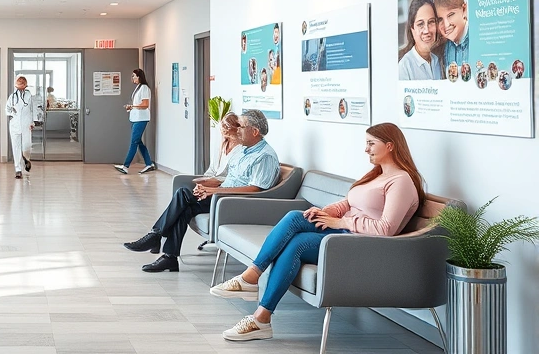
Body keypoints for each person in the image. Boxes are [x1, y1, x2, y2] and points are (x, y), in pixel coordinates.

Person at [210, 123, 425, 343]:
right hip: (345, 231)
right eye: (366, 143)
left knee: (298, 243)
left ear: (390, 145)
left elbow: (385, 229)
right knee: (296, 217)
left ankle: (260, 314)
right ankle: (253, 282)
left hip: (361, 245)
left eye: (371, 144)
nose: (366, 149)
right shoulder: (376, 175)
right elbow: (349, 202)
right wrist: (325, 212)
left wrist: (340, 221)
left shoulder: (401, 182)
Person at [123, 109, 280, 273]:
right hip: (223, 196)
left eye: (240, 126)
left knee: (183, 194)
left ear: (254, 131)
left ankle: (155, 236)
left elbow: (255, 189)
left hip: (234, 203)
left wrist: (214, 191)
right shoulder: (244, 151)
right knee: (185, 206)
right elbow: (230, 178)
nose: (237, 129)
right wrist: (209, 188)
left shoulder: (264, 156)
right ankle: (169, 257)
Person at [113, 69, 154, 175]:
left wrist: (133, 106)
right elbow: (137, 103)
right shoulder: (138, 87)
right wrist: (131, 107)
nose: (132, 78)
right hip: (135, 118)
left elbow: (145, 104)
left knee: (134, 142)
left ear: (139, 76)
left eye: (134, 76)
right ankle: (149, 164)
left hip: (141, 118)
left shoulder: (144, 88)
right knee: (138, 141)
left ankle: (125, 166)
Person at [397, 0, 442, 81]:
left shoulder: (438, 62)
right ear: (412, 29)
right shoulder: (404, 67)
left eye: (431, 22)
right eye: (420, 24)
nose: (427, 30)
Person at [434, 0, 468, 70]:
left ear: (464, 10)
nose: (446, 25)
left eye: (451, 15)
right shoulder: (442, 49)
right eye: (440, 19)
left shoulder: (478, 40)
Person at [6, 75, 34, 179]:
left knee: (26, 145)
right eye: (19, 83)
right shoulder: (12, 96)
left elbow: (32, 110)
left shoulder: (29, 96)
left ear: (25, 85)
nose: (21, 85)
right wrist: (12, 113)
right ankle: (18, 169)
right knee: (16, 146)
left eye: (23, 83)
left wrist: (32, 123)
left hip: (26, 124)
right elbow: (7, 109)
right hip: (14, 125)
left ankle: (26, 159)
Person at [203, 112, 241, 179]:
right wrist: (203, 182)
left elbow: (235, 178)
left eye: (227, 125)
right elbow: (212, 170)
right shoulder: (221, 146)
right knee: (182, 189)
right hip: (211, 183)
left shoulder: (242, 149)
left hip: (225, 185)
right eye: (223, 125)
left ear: (237, 128)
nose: (224, 128)